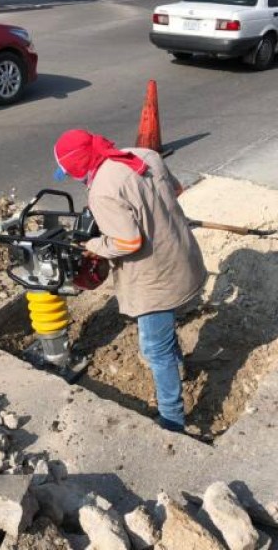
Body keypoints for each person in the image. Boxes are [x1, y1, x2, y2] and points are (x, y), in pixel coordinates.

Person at [53, 129, 207, 432]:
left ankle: (172, 421)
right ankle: (180, 369)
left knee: (155, 349)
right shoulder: (144, 155)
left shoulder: (102, 190)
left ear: (79, 166)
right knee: (164, 334)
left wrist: (94, 246)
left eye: (70, 173)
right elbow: (176, 191)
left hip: (154, 279)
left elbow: (127, 242)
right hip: (182, 255)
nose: (73, 179)